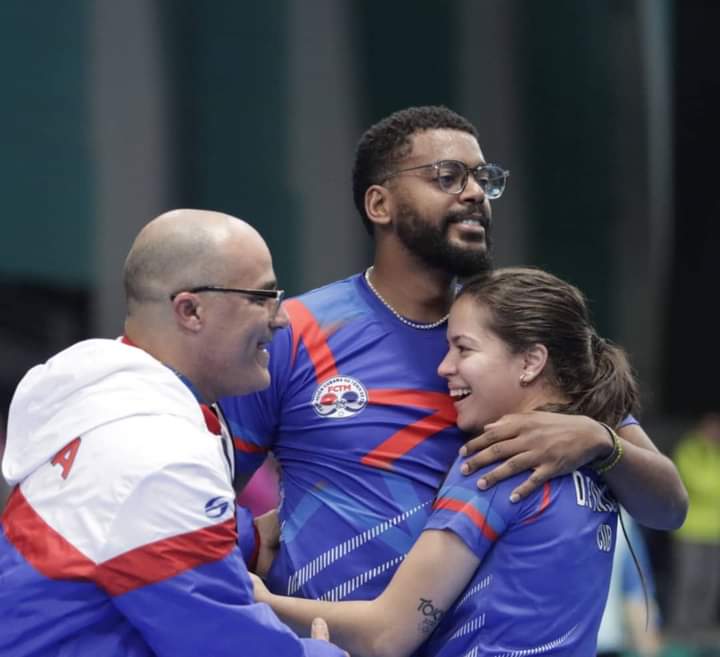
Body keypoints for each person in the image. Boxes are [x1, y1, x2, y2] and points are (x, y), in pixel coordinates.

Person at [220, 106, 687, 604]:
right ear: (380, 205)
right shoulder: (297, 331)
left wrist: (598, 440)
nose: (474, 193)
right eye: (448, 176)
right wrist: (253, 542)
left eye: (483, 178)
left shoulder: (516, 329)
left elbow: (668, 507)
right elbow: (204, 496)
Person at [0, 210, 346, 657]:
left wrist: (252, 536)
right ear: (191, 310)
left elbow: (130, 527)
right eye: (261, 297)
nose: (279, 319)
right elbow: (225, 646)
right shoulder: (157, 454)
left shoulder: (104, 403)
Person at [252, 267, 638, 656]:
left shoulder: (497, 463)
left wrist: (260, 602)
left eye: (463, 348)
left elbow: (386, 636)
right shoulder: (599, 460)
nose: (444, 366)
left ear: (531, 362)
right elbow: (670, 506)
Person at [669, 412, 720, 645]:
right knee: (689, 582)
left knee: (711, 584)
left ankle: (701, 629)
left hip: (715, 531)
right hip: (690, 530)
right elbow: (694, 482)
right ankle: (681, 630)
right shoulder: (689, 449)